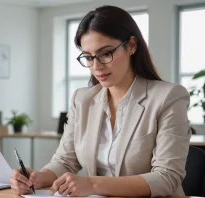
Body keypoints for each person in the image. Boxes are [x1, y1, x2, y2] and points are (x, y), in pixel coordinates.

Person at [10, 5, 190, 197]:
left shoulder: (168, 97)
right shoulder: (82, 99)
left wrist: (92, 185)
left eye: (105, 54)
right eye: (88, 57)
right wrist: (39, 177)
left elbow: (166, 177)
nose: (96, 67)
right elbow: (65, 160)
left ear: (131, 46)